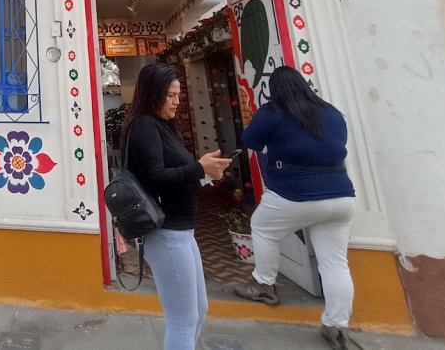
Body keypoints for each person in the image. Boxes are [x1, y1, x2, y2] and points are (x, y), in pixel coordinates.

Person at [233, 66, 356, 350]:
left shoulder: (273, 111)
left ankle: (264, 284)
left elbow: (250, 140)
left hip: (295, 192)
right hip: (341, 196)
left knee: (263, 228)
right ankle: (337, 325)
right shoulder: (332, 113)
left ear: (274, 89)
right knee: (335, 262)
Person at [121, 63, 231, 350]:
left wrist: (206, 171)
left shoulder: (162, 126)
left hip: (181, 231)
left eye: (178, 95)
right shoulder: (144, 126)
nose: (176, 101)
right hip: (166, 232)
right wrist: (199, 167)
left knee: (199, 310)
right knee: (182, 320)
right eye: (170, 95)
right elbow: (156, 179)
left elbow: (176, 174)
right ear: (153, 93)